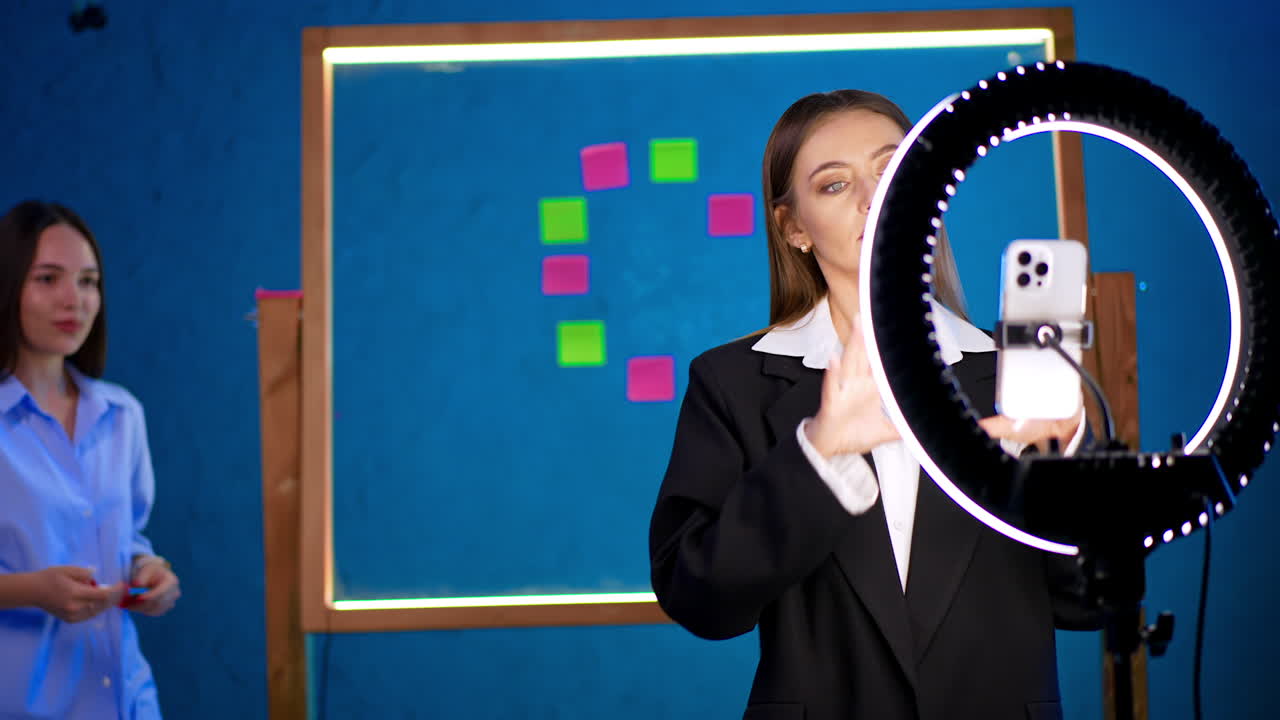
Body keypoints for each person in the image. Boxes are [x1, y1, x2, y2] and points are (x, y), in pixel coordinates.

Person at [648, 90, 1097, 720]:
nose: (872, 198)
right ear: (794, 227)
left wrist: (1063, 461)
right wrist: (819, 455)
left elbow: (1091, 604)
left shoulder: (1023, 378)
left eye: (892, 170)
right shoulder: (732, 384)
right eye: (834, 185)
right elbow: (699, 600)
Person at [0, 200, 180, 719]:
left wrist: (150, 569)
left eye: (88, 282)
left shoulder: (122, 415)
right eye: (48, 278)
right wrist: (33, 590)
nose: (73, 301)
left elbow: (129, 539)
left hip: (125, 698)